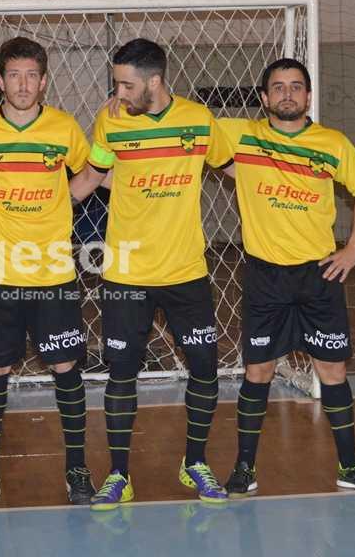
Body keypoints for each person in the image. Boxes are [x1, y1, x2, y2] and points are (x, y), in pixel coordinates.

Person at [219, 58, 355, 497]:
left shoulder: (332, 143)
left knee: (332, 370)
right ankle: (244, 469)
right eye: (278, 87)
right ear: (263, 97)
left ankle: (350, 466)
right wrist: (133, 103)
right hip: (265, 277)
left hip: (318, 275)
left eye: (296, 86)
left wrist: (354, 248)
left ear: (308, 96)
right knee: (258, 371)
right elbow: (189, 126)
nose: (287, 93)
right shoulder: (241, 136)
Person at [81, 38, 234, 510]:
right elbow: (89, 179)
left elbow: (238, 170)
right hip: (126, 272)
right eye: (116, 84)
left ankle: (195, 462)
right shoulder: (110, 120)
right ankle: (119, 474)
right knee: (121, 373)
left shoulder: (199, 120)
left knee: (205, 367)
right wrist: (31, 201)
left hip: (185, 270)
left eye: (126, 85)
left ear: (155, 81)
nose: (118, 92)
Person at [0, 36, 99, 508]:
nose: (22, 84)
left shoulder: (63, 127)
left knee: (65, 368)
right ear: (0, 80)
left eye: (31, 75)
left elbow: (91, 173)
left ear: (43, 80)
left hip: (52, 273)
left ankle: (77, 469)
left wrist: (64, 199)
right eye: (13, 75)